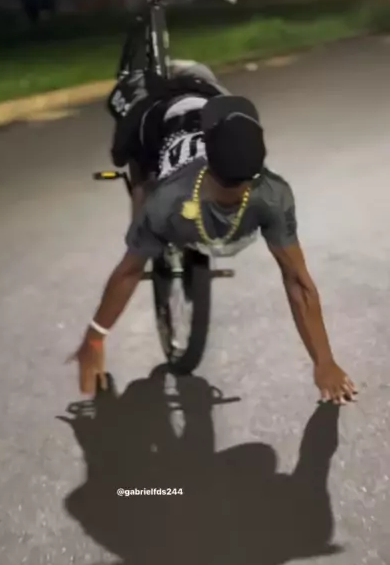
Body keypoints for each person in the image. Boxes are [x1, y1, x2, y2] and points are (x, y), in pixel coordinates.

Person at [69, 63, 358, 406]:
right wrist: (324, 363)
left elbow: (129, 270)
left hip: (205, 106)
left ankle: (188, 76)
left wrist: (94, 339)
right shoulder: (251, 195)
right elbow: (297, 280)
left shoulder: (257, 195)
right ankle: (176, 77)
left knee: (145, 231)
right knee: (139, 179)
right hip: (158, 120)